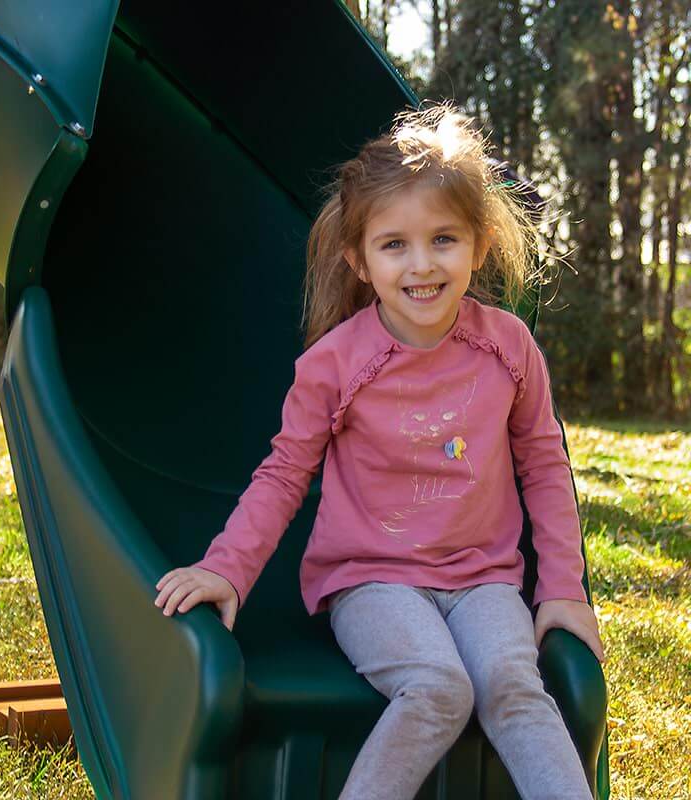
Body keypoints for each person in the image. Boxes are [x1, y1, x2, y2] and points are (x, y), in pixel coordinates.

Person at [155, 102, 605, 800]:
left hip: (484, 578)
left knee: (515, 686)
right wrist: (226, 570)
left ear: (479, 244)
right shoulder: (336, 364)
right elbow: (284, 474)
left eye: (444, 239)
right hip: (370, 580)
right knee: (437, 688)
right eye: (394, 244)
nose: (421, 265)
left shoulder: (510, 348)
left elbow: (545, 468)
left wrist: (563, 591)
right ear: (358, 258)